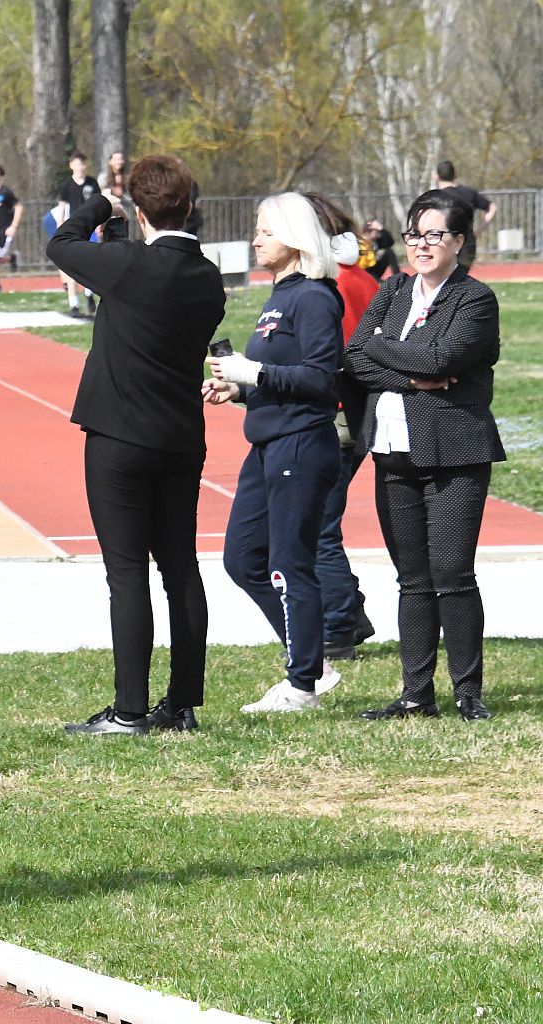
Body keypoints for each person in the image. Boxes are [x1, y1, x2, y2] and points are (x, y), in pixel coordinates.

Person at [47, 154, 226, 736]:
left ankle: (129, 710)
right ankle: (181, 705)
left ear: (142, 211)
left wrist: (103, 203)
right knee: (180, 569)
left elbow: (63, 243)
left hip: (120, 437)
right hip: (179, 437)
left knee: (127, 573)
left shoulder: (126, 265)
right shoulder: (207, 278)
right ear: (191, 206)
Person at [344, 189, 505, 722]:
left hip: (455, 452)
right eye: (415, 233)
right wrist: (414, 375)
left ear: (459, 241)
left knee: (452, 573)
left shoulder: (475, 300)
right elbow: (354, 357)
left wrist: (386, 352)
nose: (422, 244)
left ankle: (467, 692)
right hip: (392, 452)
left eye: (435, 234)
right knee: (411, 578)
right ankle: (417, 693)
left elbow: (441, 356)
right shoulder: (391, 292)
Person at [204, 193, 343, 712]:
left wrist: (253, 373)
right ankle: (310, 657)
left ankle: (303, 681)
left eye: (264, 230)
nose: (255, 239)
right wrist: (239, 390)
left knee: (290, 562)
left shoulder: (313, 297)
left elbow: (319, 378)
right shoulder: (277, 296)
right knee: (243, 559)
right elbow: (281, 377)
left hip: (302, 443)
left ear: (293, 236)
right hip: (267, 442)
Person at [303, 192, 379, 662]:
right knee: (320, 523)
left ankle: (337, 627)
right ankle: (350, 612)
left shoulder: (326, 283)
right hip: (360, 413)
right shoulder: (363, 279)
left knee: (318, 528)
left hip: (333, 413)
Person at [54, 152, 102, 317]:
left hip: (91, 227)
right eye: (77, 164)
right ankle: (73, 305)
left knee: (90, 264)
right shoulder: (67, 185)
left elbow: (99, 203)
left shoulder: (92, 183)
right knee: (71, 266)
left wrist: (100, 224)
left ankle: (89, 294)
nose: (80, 167)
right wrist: (60, 223)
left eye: (83, 164)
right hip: (75, 227)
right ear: (71, 166)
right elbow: (62, 206)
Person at [433, 161, 496, 269]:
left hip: (444, 242)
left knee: (444, 279)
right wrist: (477, 232)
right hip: (467, 242)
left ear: (436, 176)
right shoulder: (469, 193)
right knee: (460, 278)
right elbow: (492, 208)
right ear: (455, 175)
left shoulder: (436, 196)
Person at [100, 150, 130, 243]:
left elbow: (131, 198)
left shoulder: (128, 177)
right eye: (116, 159)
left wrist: (122, 195)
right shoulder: (103, 178)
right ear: (110, 161)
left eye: (120, 159)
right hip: (108, 217)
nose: (119, 162)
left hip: (125, 216)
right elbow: (101, 197)